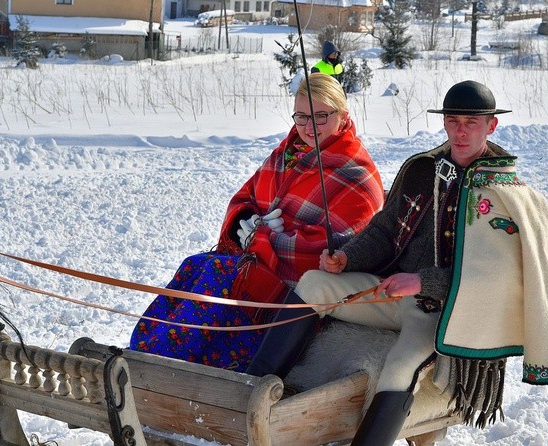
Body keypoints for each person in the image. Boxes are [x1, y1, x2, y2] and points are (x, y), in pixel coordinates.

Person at [244, 81, 548, 444]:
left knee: (400, 367)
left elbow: (495, 278)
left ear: (491, 126)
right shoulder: (422, 170)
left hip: (444, 313)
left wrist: (422, 283)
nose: (460, 131)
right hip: (389, 293)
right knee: (313, 284)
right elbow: (385, 229)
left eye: (472, 122)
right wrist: (347, 257)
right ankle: (247, 396)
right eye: (453, 121)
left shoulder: (505, 196)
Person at [129, 73, 384, 372]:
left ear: (343, 115)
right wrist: (246, 222)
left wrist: (264, 239)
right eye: (301, 116)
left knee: (219, 278)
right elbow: (247, 195)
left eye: (320, 116)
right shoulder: (288, 153)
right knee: (195, 265)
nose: (308, 127)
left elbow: (338, 247)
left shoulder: (356, 174)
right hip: (255, 262)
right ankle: (143, 351)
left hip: (297, 287)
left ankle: (169, 365)